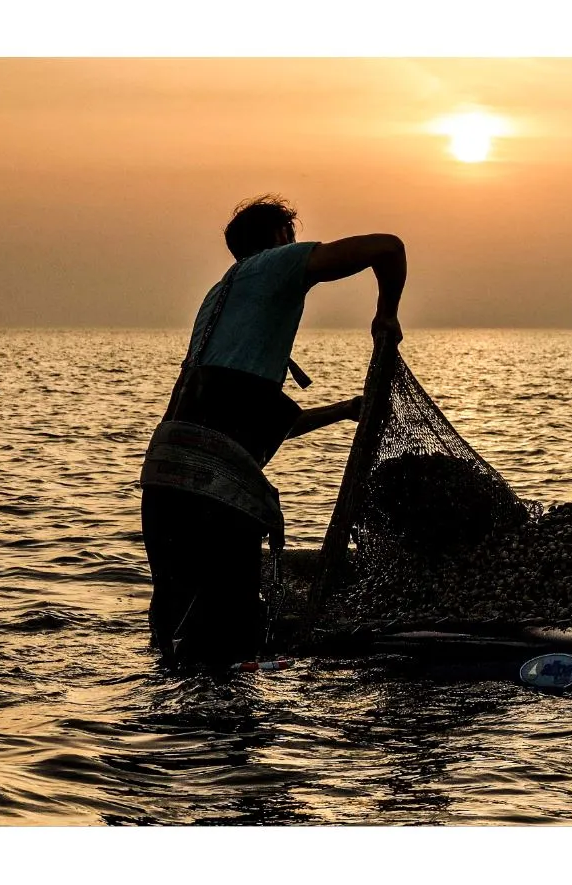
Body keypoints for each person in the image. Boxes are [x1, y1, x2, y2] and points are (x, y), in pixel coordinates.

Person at [140, 195, 406, 668]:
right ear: (282, 238)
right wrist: (386, 314)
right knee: (230, 632)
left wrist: (345, 410)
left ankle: (167, 707)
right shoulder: (277, 264)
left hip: (164, 478)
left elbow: (254, 423)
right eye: (292, 236)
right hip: (215, 489)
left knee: (175, 625)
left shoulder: (219, 299)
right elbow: (388, 247)